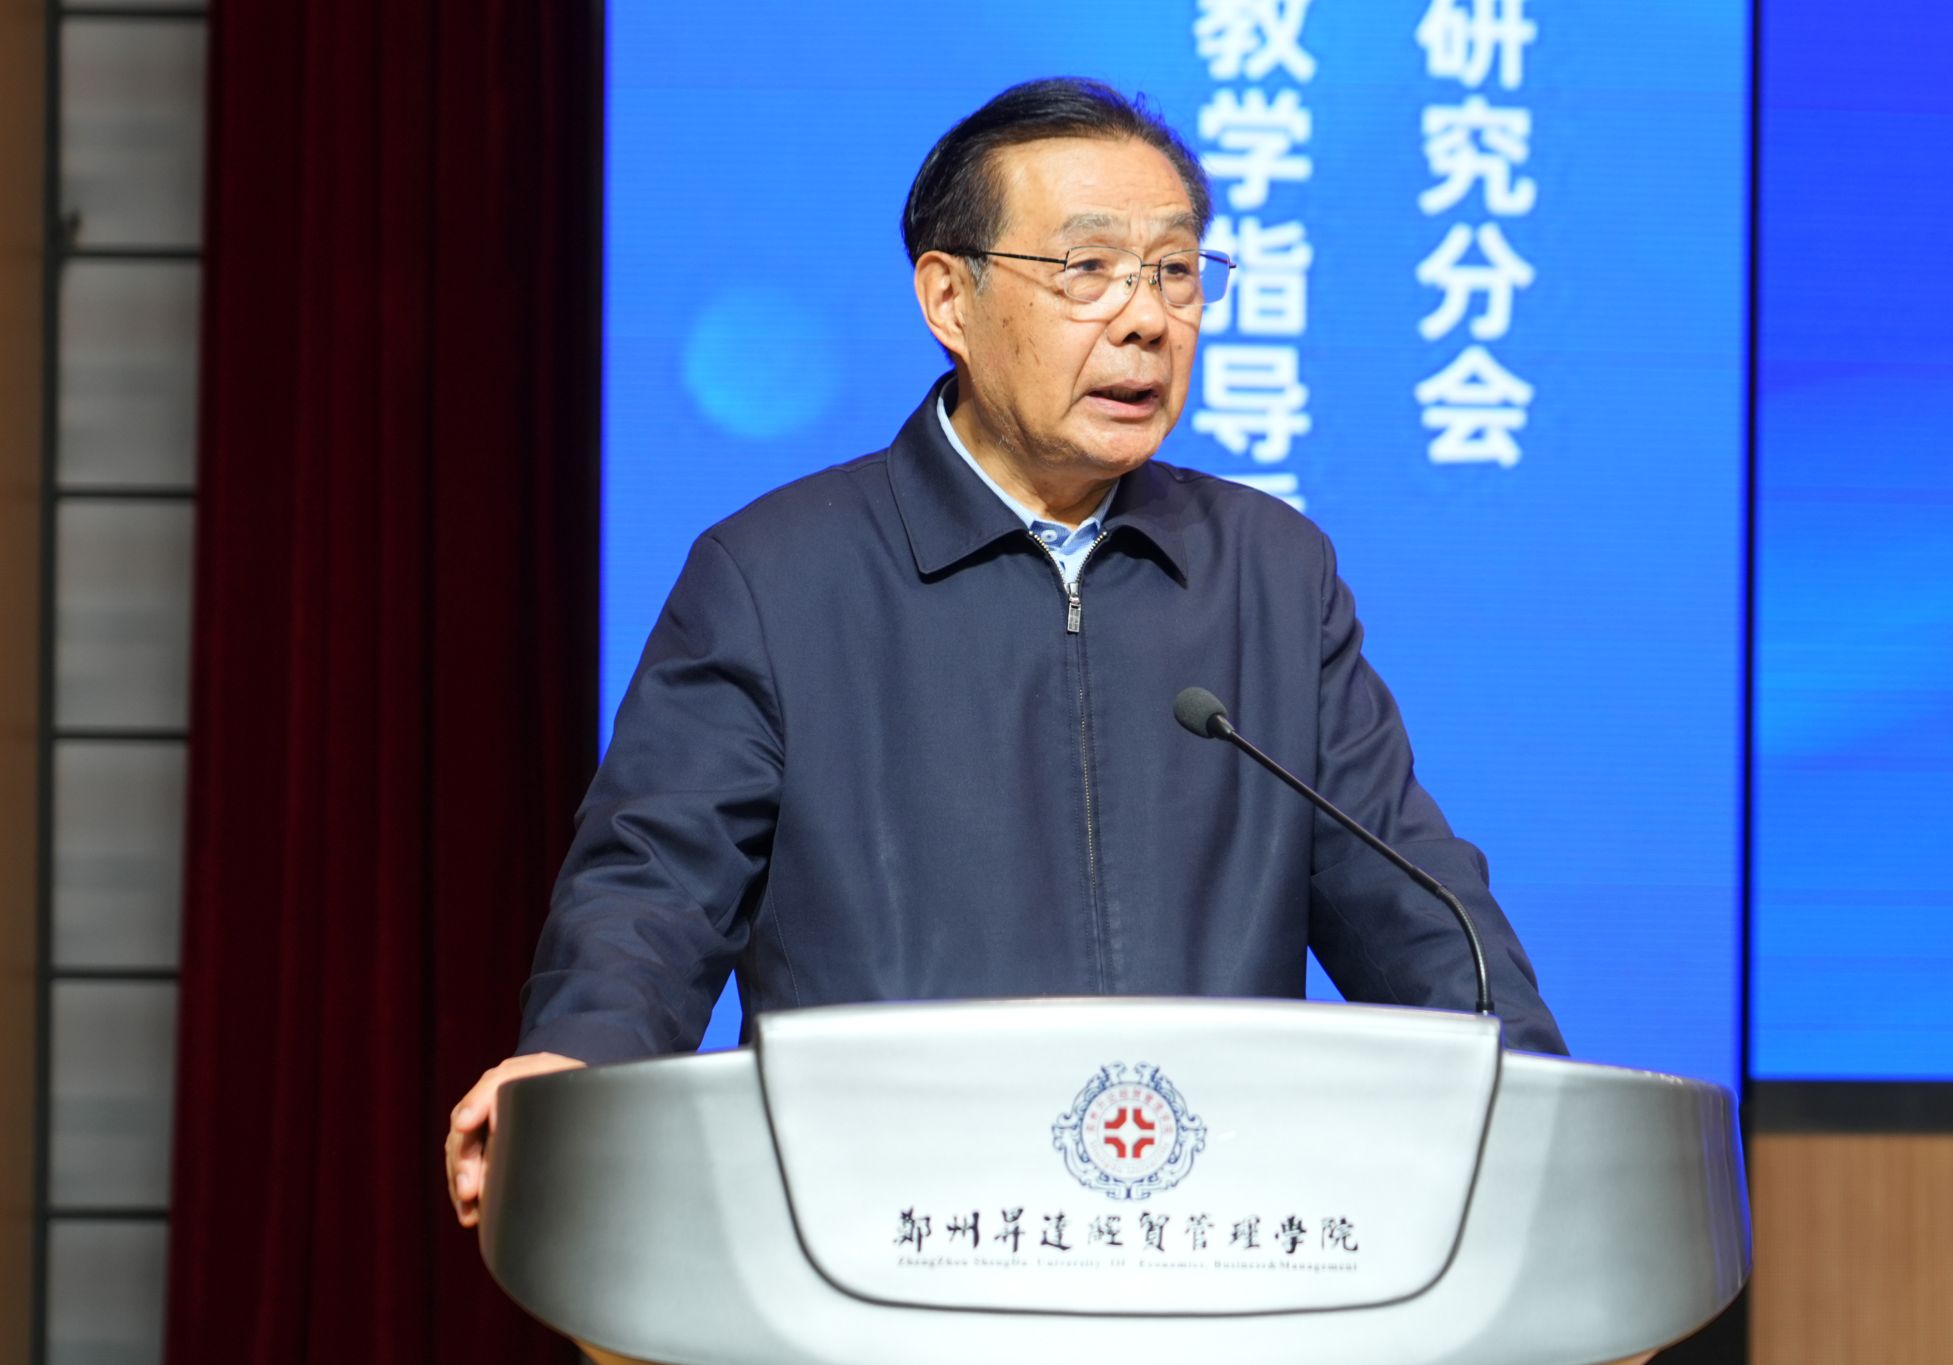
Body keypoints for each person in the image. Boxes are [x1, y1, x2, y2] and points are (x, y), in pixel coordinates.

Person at [446, 77, 1564, 1229]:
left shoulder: (1270, 574)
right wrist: (576, 1059)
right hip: (885, 1230)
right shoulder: (776, 577)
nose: (1144, 318)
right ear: (949, 297)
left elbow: (1412, 899)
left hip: (1204, 1236)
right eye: (1087, 269)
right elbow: (655, 884)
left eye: (1176, 272)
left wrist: (1542, 1104)